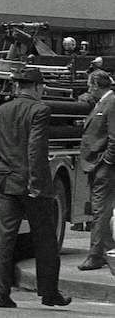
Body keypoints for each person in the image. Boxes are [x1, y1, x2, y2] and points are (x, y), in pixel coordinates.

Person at [0, 68, 71, 308]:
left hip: (7, 182)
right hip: (31, 184)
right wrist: (35, 183)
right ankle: (49, 292)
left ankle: (0, 293)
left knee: (5, 239)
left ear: (18, 87)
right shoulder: (40, 110)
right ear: (38, 88)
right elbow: (36, 148)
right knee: (46, 239)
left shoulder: (2, 110)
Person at [78, 69, 115, 271]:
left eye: (89, 86)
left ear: (95, 85)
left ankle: (95, 255)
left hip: (103, 167)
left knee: (99, 210)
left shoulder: (111, 103)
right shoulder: (103, 103)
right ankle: (107, 251)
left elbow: (114, 137)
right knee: (102, 210)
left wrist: (106, 162)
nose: (88, 90)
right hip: (98, 165)